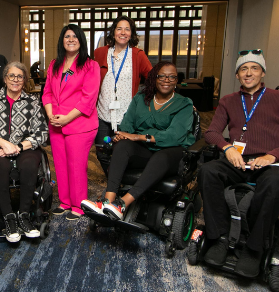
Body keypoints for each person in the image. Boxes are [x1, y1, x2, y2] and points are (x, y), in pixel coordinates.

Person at [199, 50, 279, 277]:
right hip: (238, 159)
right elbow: (212, 132)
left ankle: (254, 250)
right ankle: (220, 238)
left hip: (268, 162)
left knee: (275, 184)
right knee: (208, 171)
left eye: (254, 68)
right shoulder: (228, 101)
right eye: (243, 69)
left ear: (262, 72)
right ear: (237, 75)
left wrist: (271, 156)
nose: (249, 73)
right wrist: (227, 148)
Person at [81, 62, 195, 221]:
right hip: (146, 150)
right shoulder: (141, 98)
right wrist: (124, 135)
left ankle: (122, 204)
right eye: (162, 76)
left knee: (160, 156)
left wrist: (140, 137)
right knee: (122, 146)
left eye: (172, 77)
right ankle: (108, 201)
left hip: (172, 153)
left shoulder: (184, 104)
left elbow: (174, 135)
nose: (166, 80)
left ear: (176, 81)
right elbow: (127, 124)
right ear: (155, 78)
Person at [0, 61, 49, 242]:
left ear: (24, 80)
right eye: (11, 76)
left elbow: (42, 132)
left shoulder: (32, 102)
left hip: (24, 148)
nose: (15, 80)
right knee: (0, 164)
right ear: (5, 79)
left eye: (20, 76)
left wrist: (19, 146)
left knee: (30, 163)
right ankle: (9, 218)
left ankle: (23, 216)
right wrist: (2, 143)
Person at [43, 25, 100, 219]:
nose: (71, 39)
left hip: (79, 124)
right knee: (60, 164)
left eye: (75, 36)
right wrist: (51, 115)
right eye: (67, 36)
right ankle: (66, 201)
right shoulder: (54, 64)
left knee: (76, 165)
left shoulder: (90, 65)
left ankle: (78, 205)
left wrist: (66, 118)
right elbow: (47, 93)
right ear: (62, 40)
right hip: (56, 123)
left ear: (81, 40)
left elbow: (88, 98)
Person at [93, 15, 153, 146]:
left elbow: (153, 79)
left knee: (121, 152)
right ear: (113, 32)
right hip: (102, 114)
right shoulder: (100, 53)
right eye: (119, 28)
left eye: (127, 29)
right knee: (101, 150)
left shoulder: (138, 55)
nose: (123, 32)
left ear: (131, 34)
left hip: (126, 116)